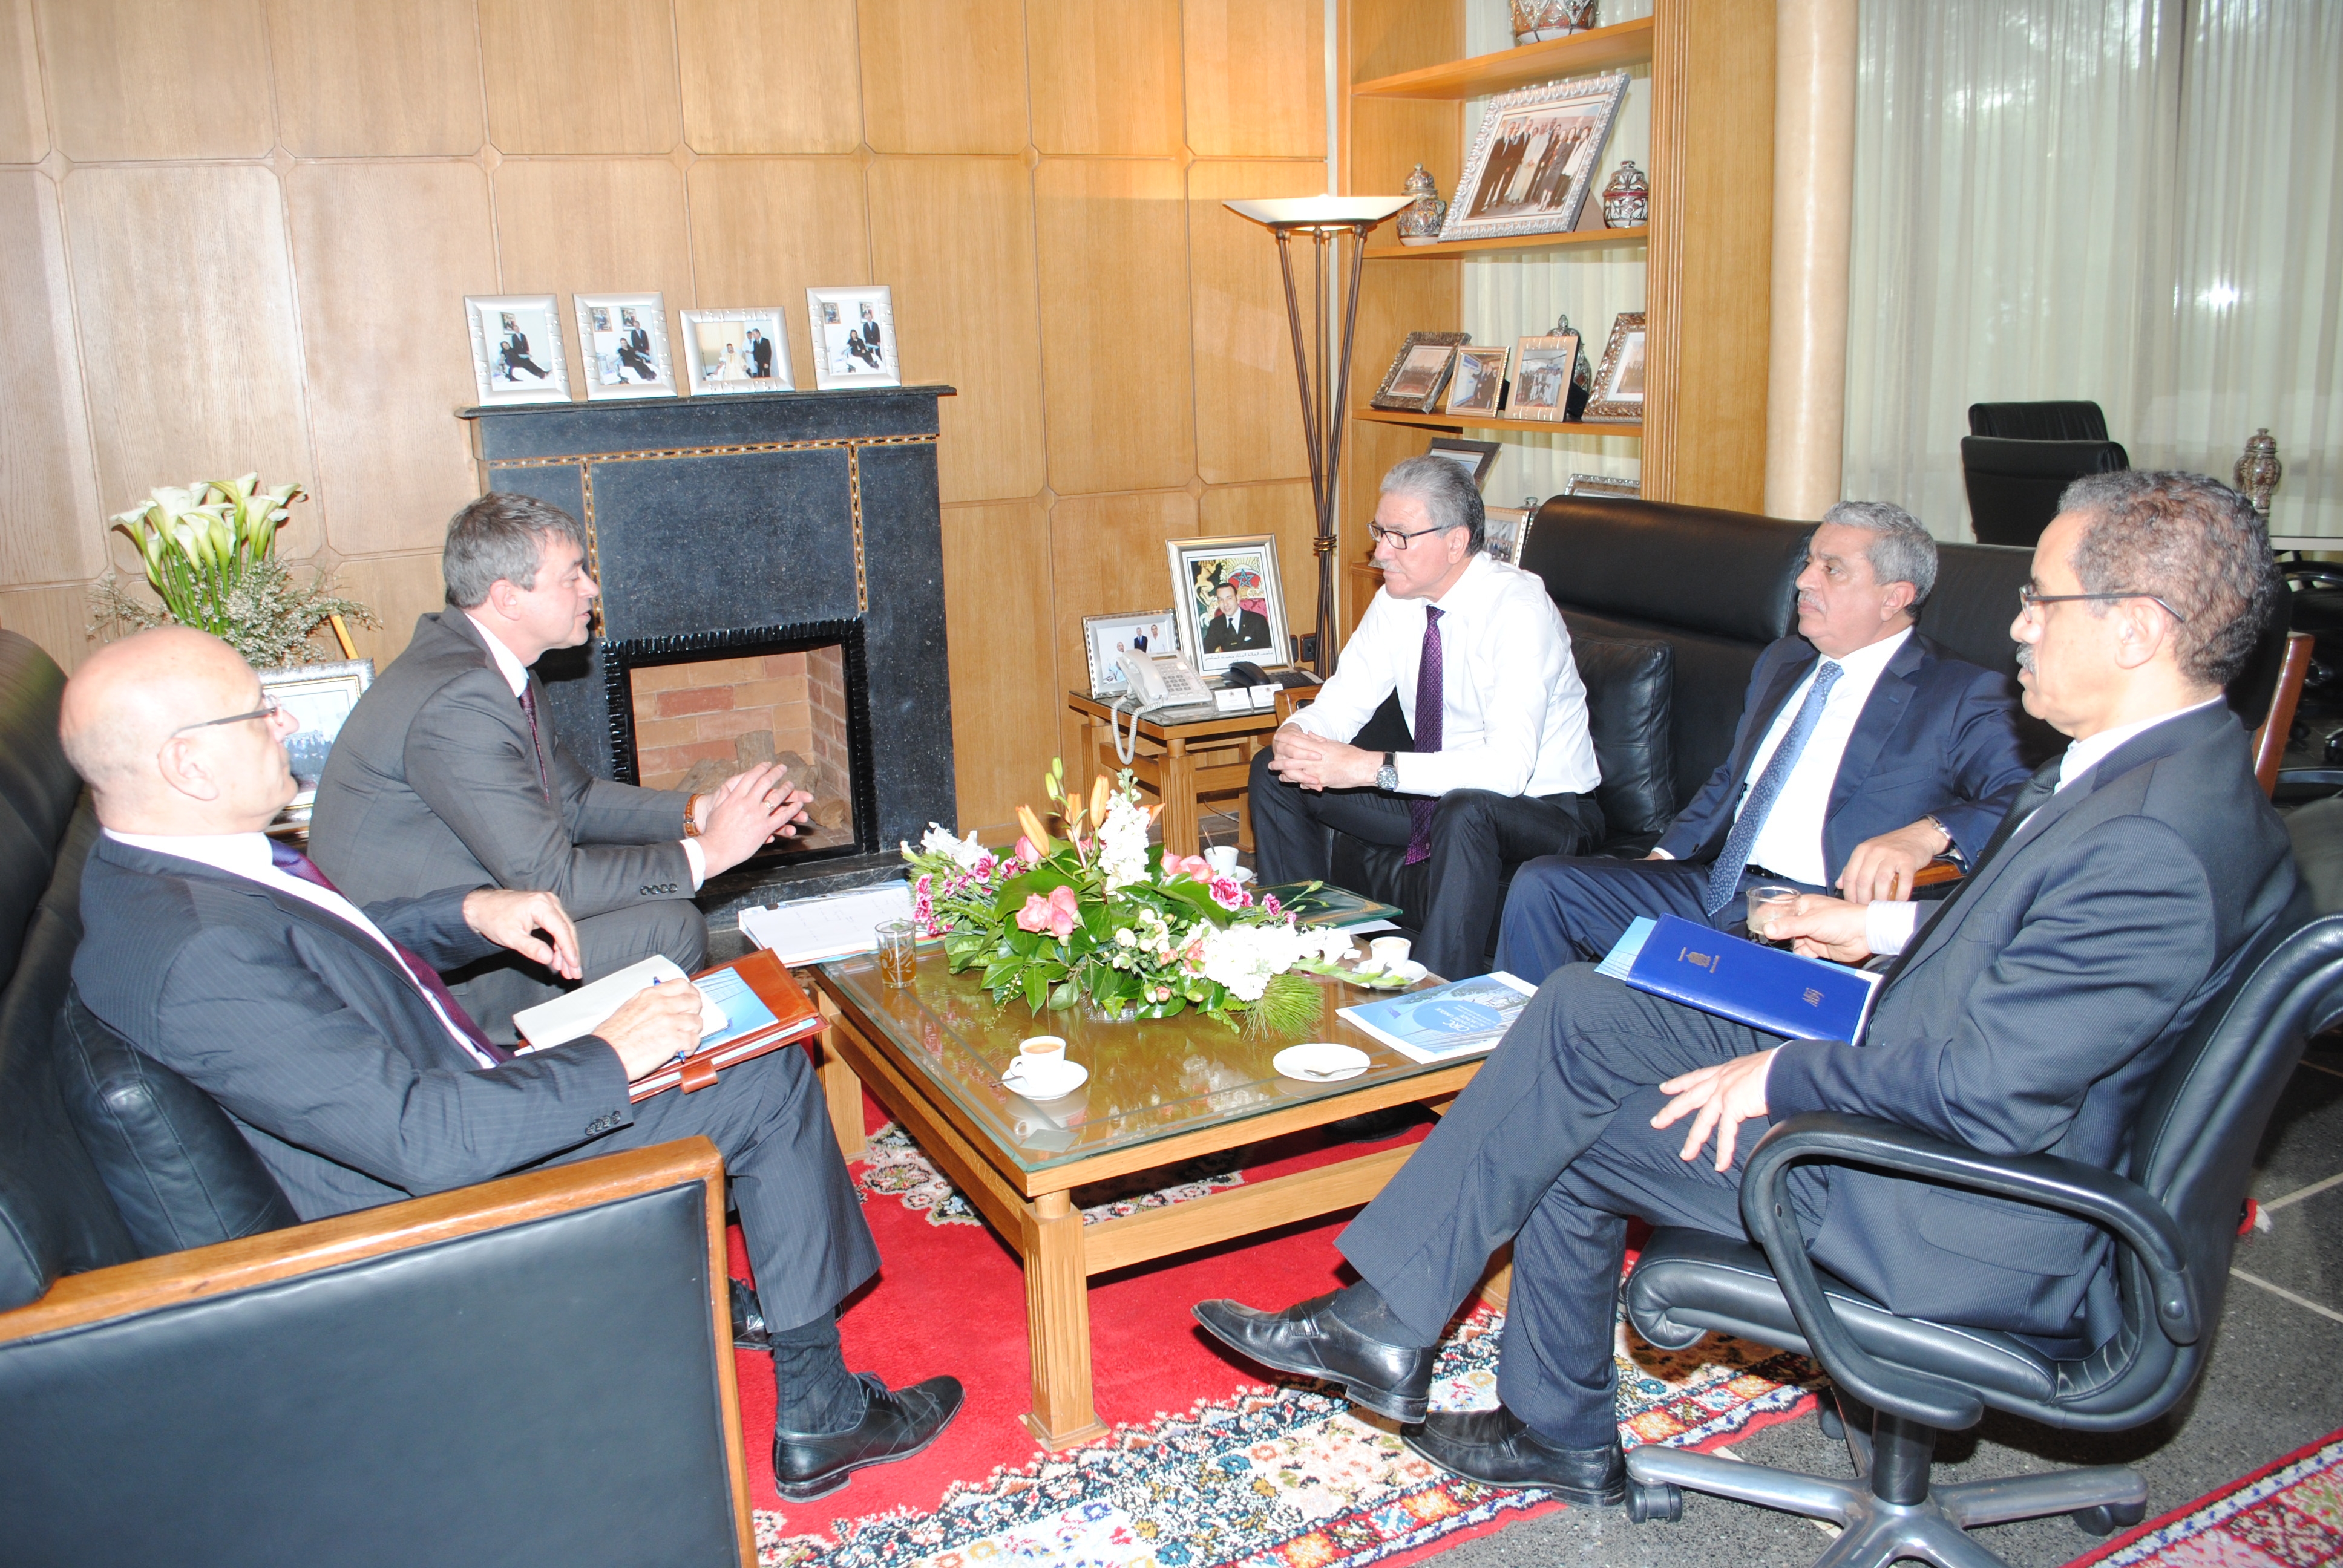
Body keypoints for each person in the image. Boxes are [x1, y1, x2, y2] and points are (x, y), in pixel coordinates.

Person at [1194, 471, 2295, 1506]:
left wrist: (1781, 1071)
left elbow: (1989, 1096)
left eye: (2040, 600)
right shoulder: (2162, 777)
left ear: (2137, 628)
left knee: (1558, 1118)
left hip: (1953, 1204)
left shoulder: (2147, 846)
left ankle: (1493, 1390)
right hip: (1914, 1070)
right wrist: (1881, 924)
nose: (2017, 626)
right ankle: (1408, 1336)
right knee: (1577, 1006)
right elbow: (2033, 958)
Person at [61, 626, 962, 1500]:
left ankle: (705, 1293)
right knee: (763, 1078)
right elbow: (425, 1142)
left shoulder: (164, 875)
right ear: (188, 763)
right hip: (437, 1209)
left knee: (717, 1026)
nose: (284, 724)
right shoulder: (201, 952)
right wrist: (612, 1053)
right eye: (259, 712)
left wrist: (466, 912)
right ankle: (822, 1414)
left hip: (439, 1094)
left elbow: (324, 950)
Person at [309, 492, 811, 1040]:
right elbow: (552, 880)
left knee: (668, 921)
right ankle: (597, 1075)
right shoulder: (459, 702)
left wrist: (702, 812)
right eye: (572, 576)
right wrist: (711, 852)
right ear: (508, 598)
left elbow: (576, 800)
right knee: (667, 931)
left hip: (476, 927)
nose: (591, 588)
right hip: (425, 976)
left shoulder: (490, 667)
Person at [1495, 501, 2033, 981]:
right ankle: (1507, 1046)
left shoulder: (1958, 692)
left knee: (1632, 993)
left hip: (1815, 911)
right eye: (1810, 562)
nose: (1804, 581)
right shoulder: (1785, 660)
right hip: (1717, 886)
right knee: (1545, 887)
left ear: (1895, 597)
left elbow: (2028, 799)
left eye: (1832, 569)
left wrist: (1929, 833)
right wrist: (1661, 857)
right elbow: (1734, 777)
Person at [1248, 456, 1602, 981]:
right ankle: (1304, 956)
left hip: (1544, 811)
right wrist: (1296, 735)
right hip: (1434, 798)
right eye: (1379, 532)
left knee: (1467, 809)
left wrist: (1369, 767)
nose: (1381, 552)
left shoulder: (1518, 610)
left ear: (1456, 542)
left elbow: (1507, 771)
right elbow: (1345, 700)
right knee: (1275, 772)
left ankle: (1438, 996)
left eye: (1399, 537)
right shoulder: (1398, 599)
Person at [1199, 581, 1272, 654]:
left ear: (1238, 598)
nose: (1225, 604)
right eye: (1221, 600)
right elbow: (1205, 651)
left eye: (1229, 598)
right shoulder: (1216, 624)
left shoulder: (1257, 620)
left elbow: (1268, 652)